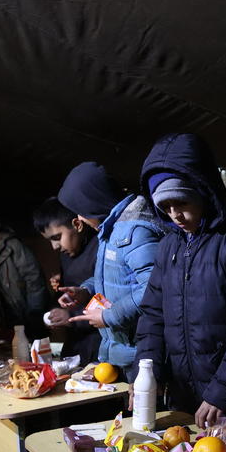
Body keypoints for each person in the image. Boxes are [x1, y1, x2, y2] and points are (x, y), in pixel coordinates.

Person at [134, 133, 226, 430]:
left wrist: (220, 393)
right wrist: (147, 372)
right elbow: (153, 316)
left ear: (204, 191)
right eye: (165, 207)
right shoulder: (168, 247)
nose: (175, 215)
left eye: (182, 202)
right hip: (183, 401)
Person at [55, 162, 163, 379]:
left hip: (141, 356)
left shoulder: (135, 230)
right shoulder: (111, 229)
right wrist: (85, 290)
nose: (81, 219)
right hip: (122, 352)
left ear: (90, 203)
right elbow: (116, 279)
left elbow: (154, 288)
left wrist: (109, 315)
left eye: (80, 211)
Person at [31, 197, 101, 362]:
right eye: (49, 240)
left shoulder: (100, 248)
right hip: (75, 344)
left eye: (57, 237)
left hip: (100, 346)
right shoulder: (67, 254)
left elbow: (108, 300)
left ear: (77, 225)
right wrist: (60, 302)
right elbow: (68, 290)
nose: (54, 247)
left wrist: (70, 317)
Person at [0, 202, 50, 341]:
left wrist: (34, 317)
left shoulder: (12, 246)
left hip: (25, 318)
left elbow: (35, 281)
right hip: (5, 322)